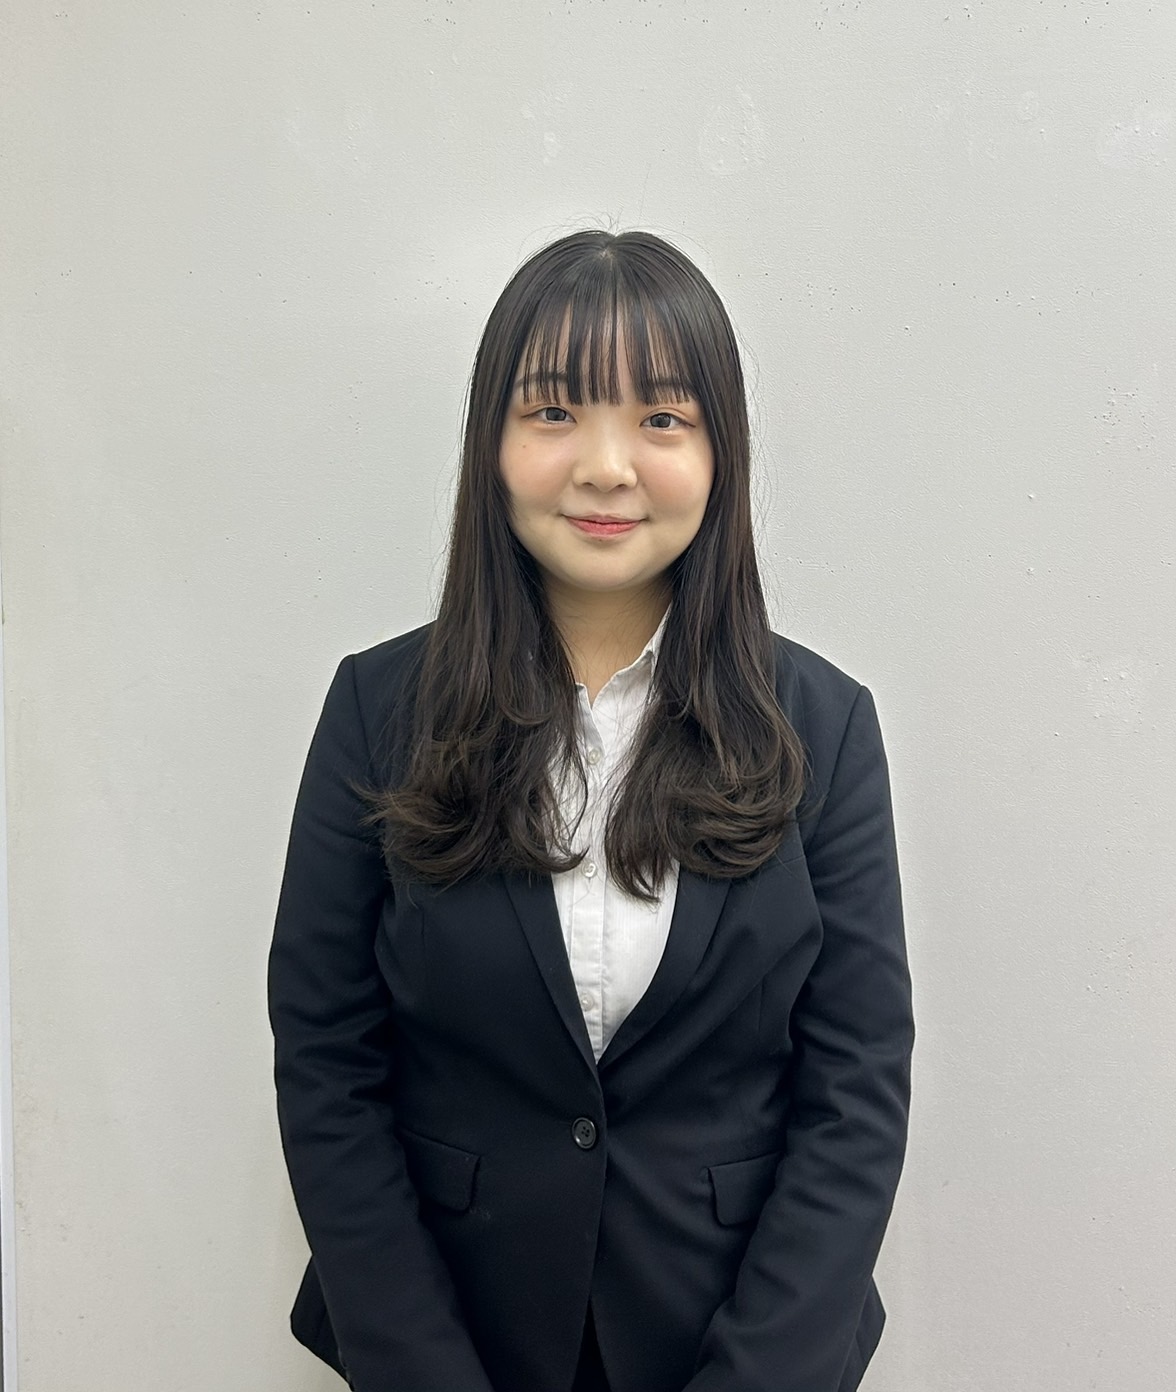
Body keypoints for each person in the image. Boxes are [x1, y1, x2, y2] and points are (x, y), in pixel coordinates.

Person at [267, 229, 914, 1392]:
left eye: (661, 417)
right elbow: (326, 1062)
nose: (607, 467)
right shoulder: (378, 708)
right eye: (555, 412)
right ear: (493, 441)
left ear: (720, 451)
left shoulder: (824, 726)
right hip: (452, 1340)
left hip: (731, 1341)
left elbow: (856, 1089)